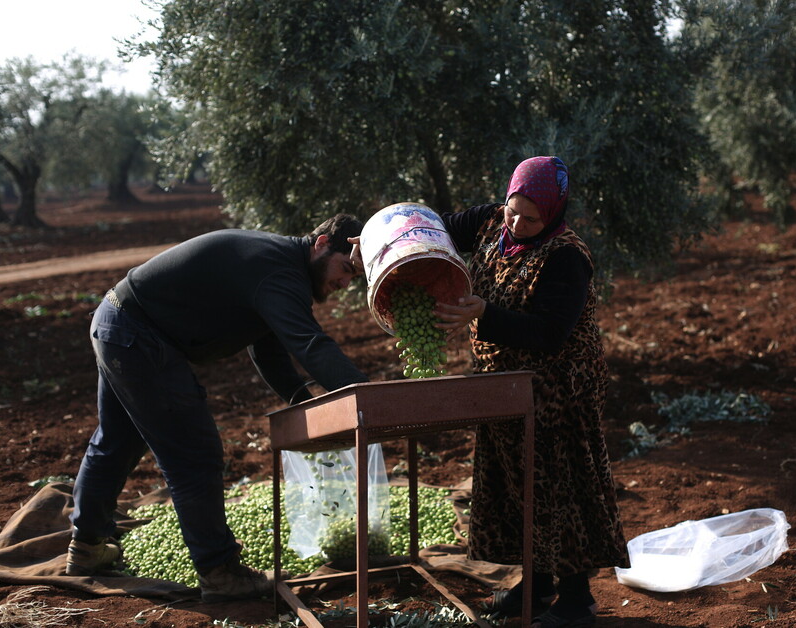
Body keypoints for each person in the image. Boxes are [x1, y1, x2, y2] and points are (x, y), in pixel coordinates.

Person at [66, 214, 369, 603]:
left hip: (118, 321)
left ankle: (86, 549)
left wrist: (298, 397)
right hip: (139, 336)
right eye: (346, 268)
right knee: (194, 453)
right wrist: (367, 396)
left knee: (117, 441)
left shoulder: (277, 266)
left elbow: (269, 346)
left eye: (353, 279)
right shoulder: (278, 270)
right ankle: (220, 572)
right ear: (322, 243)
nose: (345, 284)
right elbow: (310, 344)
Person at [434, 157, 628, 628]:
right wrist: (384, 243)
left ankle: (578, 600)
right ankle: (537, 585)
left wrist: (484, 314)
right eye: (512, 211)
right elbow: (430, 228)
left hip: (558, 392)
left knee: (558, 490)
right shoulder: (487, 222)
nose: (517, 224)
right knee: (517, 487)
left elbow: (549, 333)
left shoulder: (566, 256)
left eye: (531, 218)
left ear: (554, 214)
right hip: (500, 389)